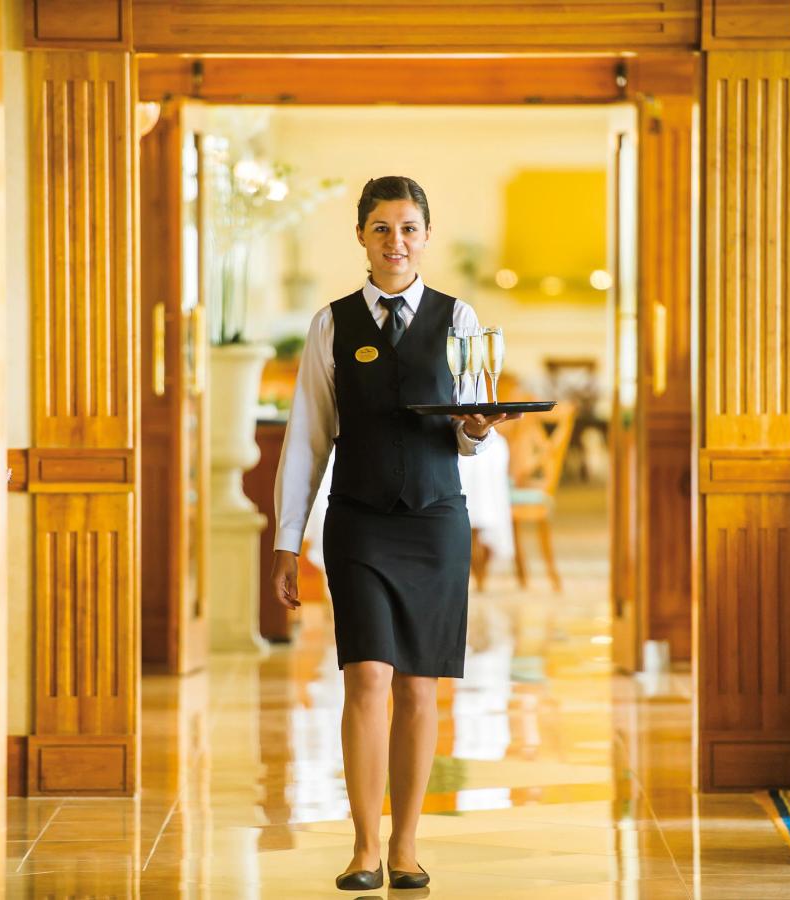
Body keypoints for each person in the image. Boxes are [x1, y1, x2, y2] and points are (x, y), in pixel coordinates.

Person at [271, 175, 517, 891]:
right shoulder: (333, 324)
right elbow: (307, 440)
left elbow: (474, 427)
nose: (396, 242)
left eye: (409, 228)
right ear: (361, 237)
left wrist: (474, 430)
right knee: (366, 677)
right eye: (382, 228)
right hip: (359, 522)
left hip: (436, 521)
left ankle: (406, 846)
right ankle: (364, 846)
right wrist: (289, 541)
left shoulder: (460, 317)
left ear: (426, 237)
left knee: (418, 689)